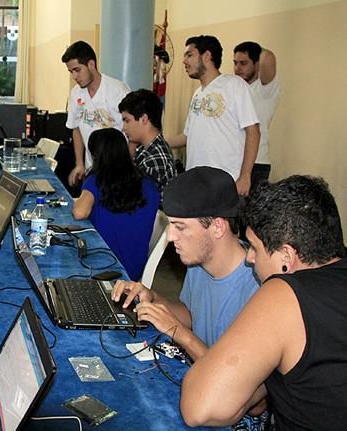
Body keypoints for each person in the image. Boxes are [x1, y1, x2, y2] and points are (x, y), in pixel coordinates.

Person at [181, 176, 347, 429]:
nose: (249, 258)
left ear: (286, 257)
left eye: (255, 249)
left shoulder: (286, 292)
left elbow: (200, 408)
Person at [112, 166, 259, 362]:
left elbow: (238, 384)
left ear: (217, 226)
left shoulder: (257, 287)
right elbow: (192, 316)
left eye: (180, 227)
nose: (171, 237)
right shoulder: (198, 262)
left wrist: (180, 333)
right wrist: (152, 297)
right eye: (171, 225)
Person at [168, 35, 260, 196]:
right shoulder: (197, 94)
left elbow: (253, 131)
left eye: (189, 55)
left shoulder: (234, 85)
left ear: (207, 56)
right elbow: (187, 136)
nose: (184, 61)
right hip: (196, 181)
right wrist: (156, 140)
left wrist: (245, 176)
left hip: (224, 182)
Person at [72, 128, 160, 281]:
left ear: (95, 156)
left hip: (104, 264)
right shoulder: (148, 183)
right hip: (135, 268)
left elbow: (79, 212)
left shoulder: (96, 180)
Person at [62, 40, 131, 187]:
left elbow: (132, 132)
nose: (74, 76)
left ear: (91, 65)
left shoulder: (118, 91)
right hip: (91, 170)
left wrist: (129, 166)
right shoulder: (75, 94)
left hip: (118, 171)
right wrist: (79, 164)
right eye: (71, 72)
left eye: (77, 70)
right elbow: (76, 129)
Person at [233, 42, 280, 190]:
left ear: (257, 64)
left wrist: (254, 48)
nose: (237, 68)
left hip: (257, 164)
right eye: (235, 63)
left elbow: (268, 57)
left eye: (243, 63)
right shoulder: (236, 90)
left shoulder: (264, 89)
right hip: (235, 162)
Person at [118, 89, 177, 194]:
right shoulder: (145, 148)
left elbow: (134, 199)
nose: (124, 128)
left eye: (127, 121)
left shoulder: (153, 160)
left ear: (144, 119)